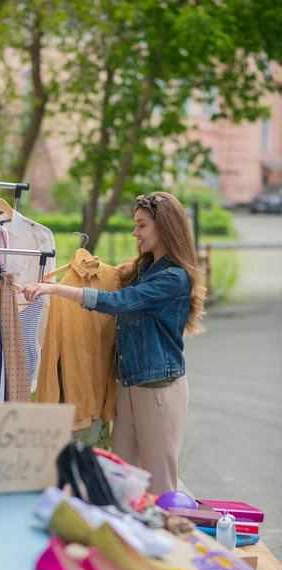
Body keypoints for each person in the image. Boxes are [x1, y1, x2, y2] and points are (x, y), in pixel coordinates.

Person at [21, 192, 206, 495]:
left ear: (164, 228)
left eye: (142, 225)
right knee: (121, 477)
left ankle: (164, 540)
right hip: (130, 383)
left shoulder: (172, 279)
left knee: (158, 484)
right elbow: (108, 283)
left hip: (158, 388)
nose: (135, 233)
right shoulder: (143, 270)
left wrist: (55, 289)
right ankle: (124, 538)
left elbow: (119, 302)